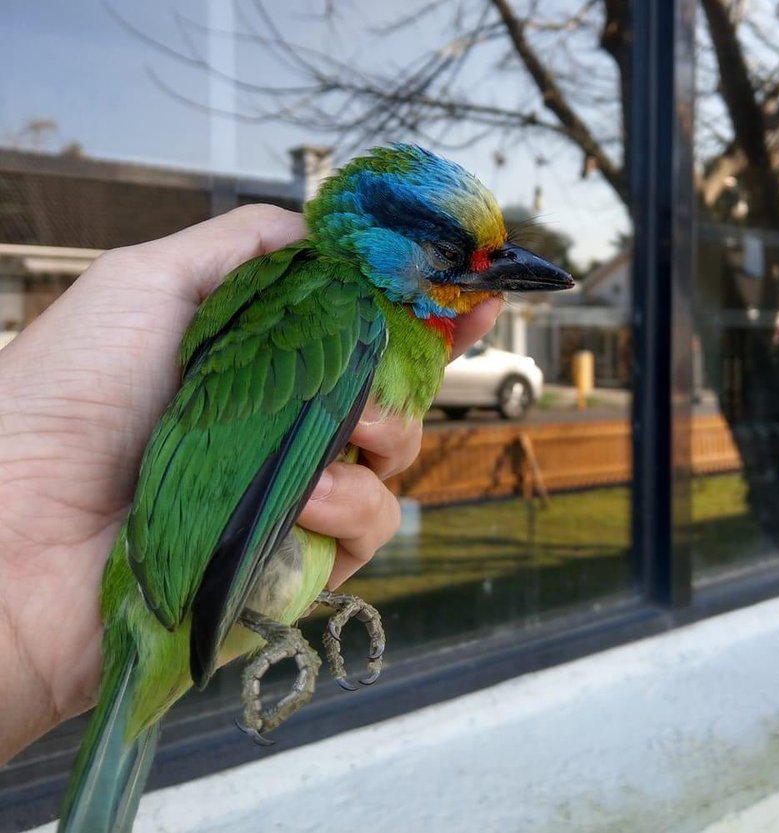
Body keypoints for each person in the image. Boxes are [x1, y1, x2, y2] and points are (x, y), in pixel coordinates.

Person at [0, 205, 500, 764]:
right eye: (448, 256)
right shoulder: (334, 293)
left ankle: (265, 607)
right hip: (175, 572)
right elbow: (247, 485)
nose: (481, 273)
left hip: (195, 571)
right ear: (368, 236)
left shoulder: (390, 321)